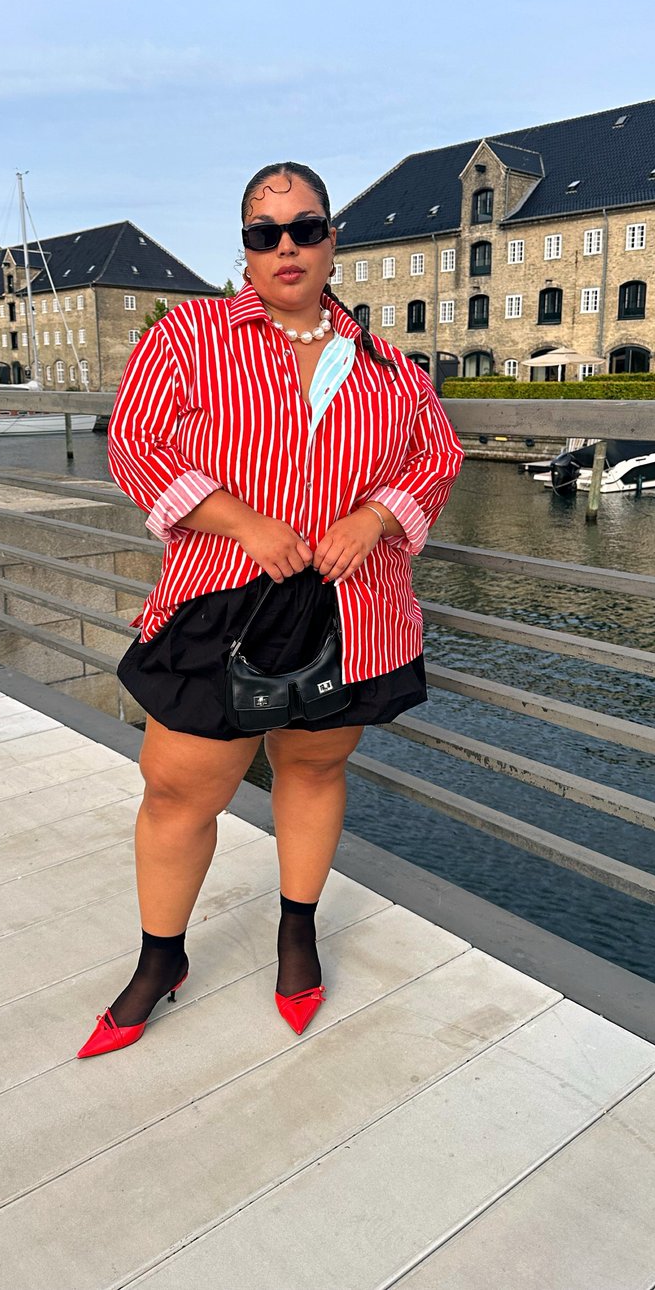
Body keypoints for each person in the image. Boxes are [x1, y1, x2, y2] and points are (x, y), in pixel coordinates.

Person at [77, 162, 464, 1058]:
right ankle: (161, 958)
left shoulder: (391, 370)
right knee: (178, 787)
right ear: (245, 247)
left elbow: (436, 459)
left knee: (316, 767)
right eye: (264, 231)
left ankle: (297, 930)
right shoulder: (190, 334)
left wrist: (375, 517)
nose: (285, 246)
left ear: (334, 243)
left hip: (350, 609)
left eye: (305, 228)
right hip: (220, 600)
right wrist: (242, 521)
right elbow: (135, 443)